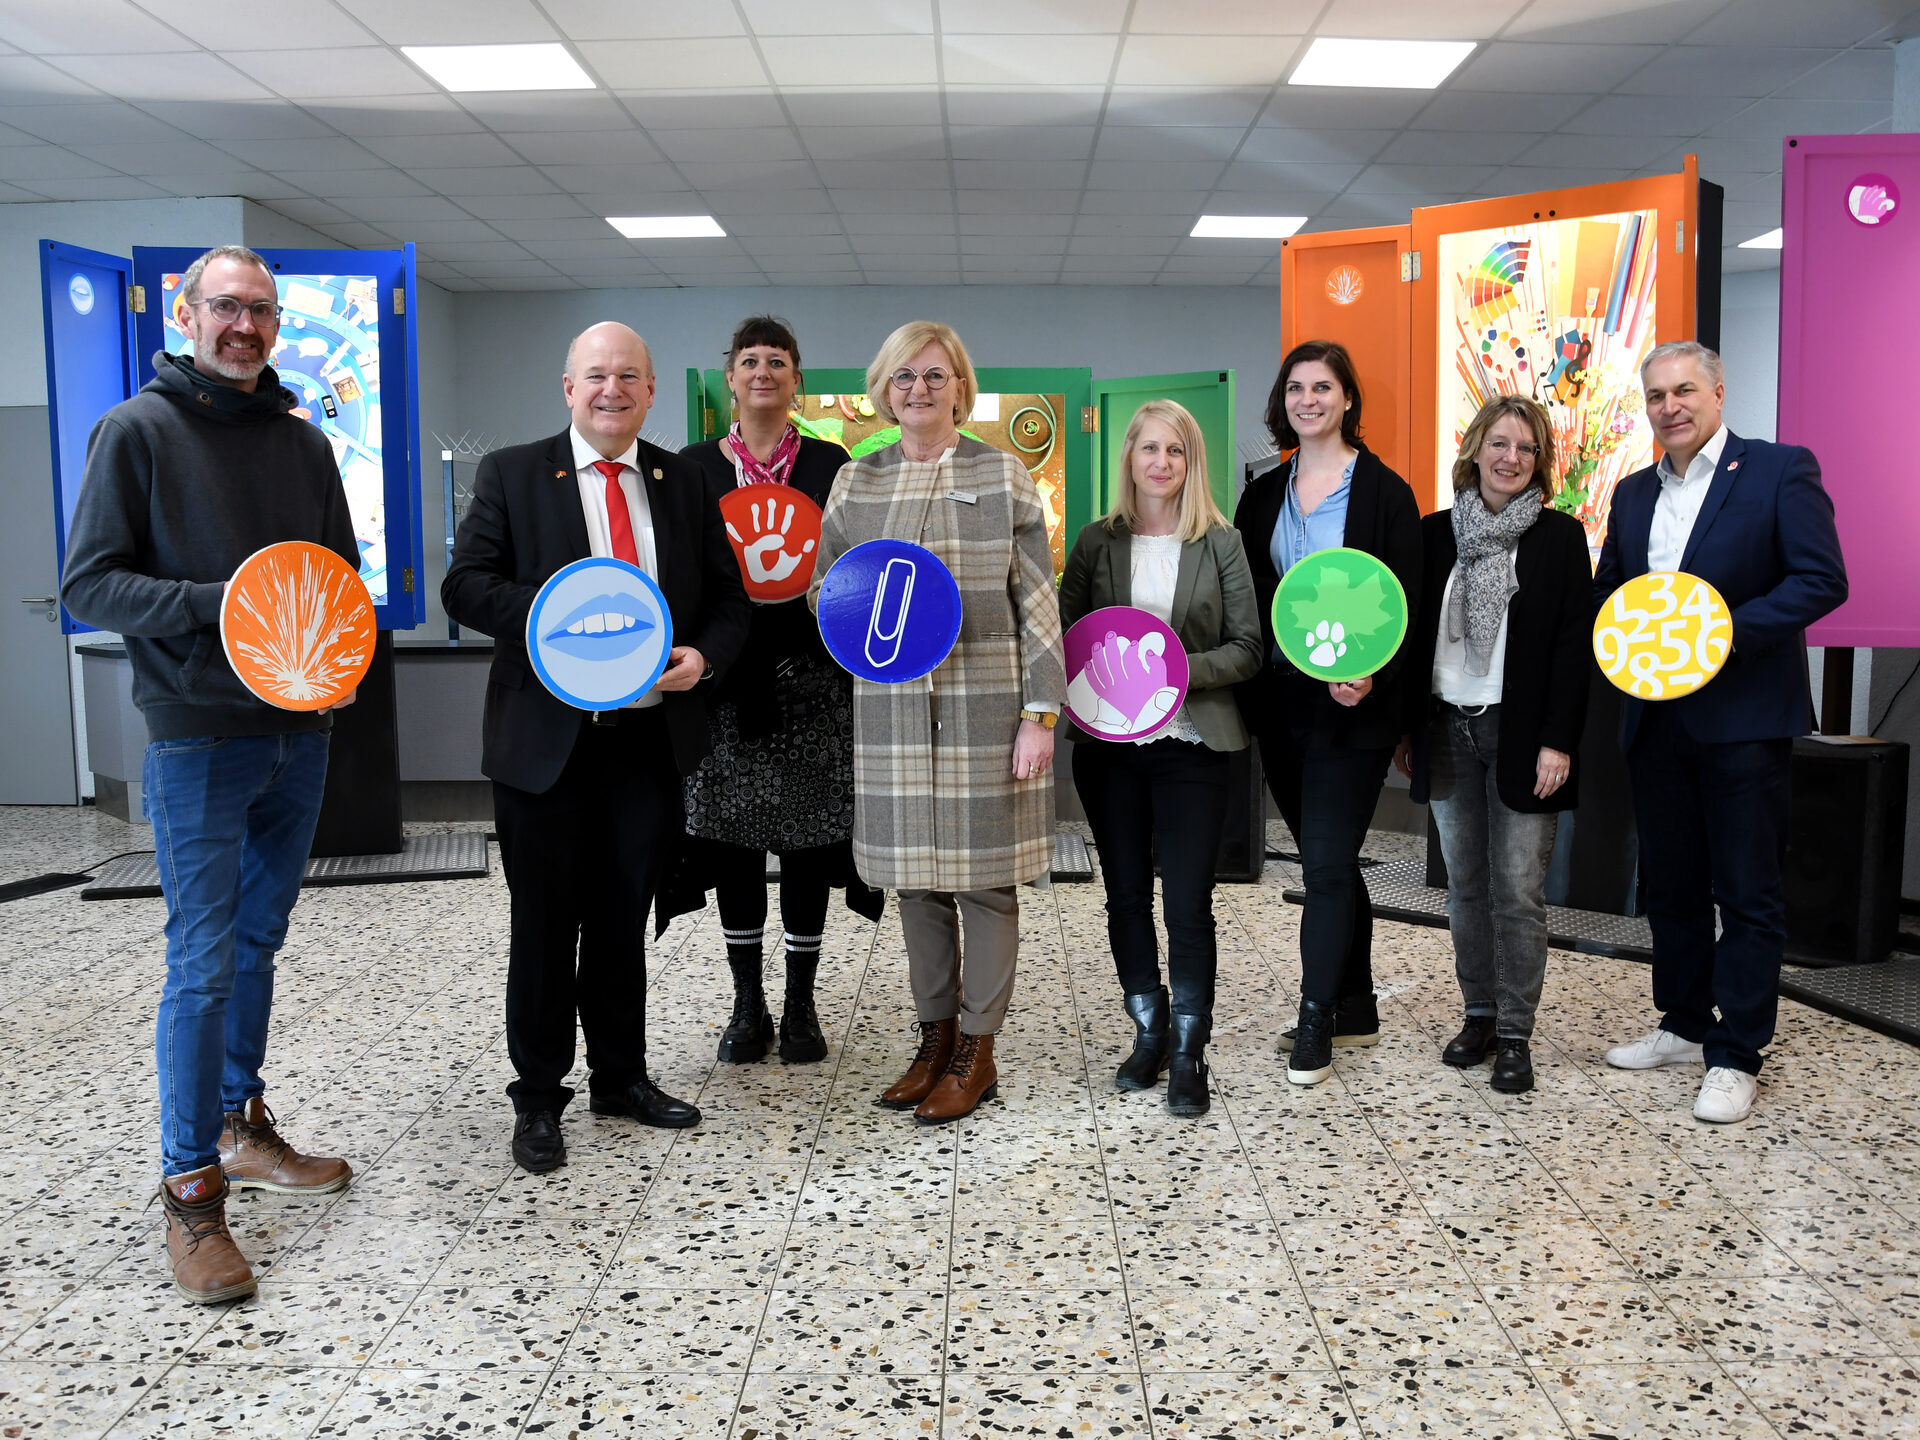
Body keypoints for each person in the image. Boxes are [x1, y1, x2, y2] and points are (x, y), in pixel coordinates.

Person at [61, 244, 356, 1304]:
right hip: (197, 735)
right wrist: (217, 603)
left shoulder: (302, 443)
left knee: (258, 941)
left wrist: (330, 660)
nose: (245, 326)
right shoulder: (136, 431)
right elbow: (90, 583)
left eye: (262, 310)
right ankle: (190, 1190)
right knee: (203, 962)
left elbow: (336, 576)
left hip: (299, 729)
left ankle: (240, 1126)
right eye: (226, 307)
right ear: (185, 314)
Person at [443, 322, 750, 1173]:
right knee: (544, 927)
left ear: (650, 391)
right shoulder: (513, 473)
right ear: (569, 388)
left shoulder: (684, 480)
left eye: (628, 376)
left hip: (644, 744)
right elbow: (465, 585)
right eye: (596, 375)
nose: (612, 390)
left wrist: (705, 657)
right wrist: (558, 611)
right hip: (545, 747)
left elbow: (728, 601)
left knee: (621, 922)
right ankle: (539, 1098)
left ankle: (621, 1078)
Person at [808, 320, 1065, 1124]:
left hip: (984, 707)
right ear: (884, 391)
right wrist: (850, 610)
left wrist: (1040, 713)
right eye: (903, 377)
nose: (918, 389)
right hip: (889, 710)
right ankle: (934, 1040)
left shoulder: (1004, 473)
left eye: (934, 375)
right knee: (915, 883)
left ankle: (976, 1053)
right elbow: (824, 590)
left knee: (985, 885)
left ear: (961, 387)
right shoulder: (857, 480)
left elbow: (1038, 604)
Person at [1594, 340, 1846, 1124]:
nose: (1669, 407)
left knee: (1746, 891)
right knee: (1671, 885)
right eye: (1656, 395)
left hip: (1744, 719)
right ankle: (1683, 1023)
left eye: (1684, 391)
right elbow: (1611, 594)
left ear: (1718, 393)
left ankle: (1736, 1052)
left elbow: (1821, 579)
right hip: (1655, 719)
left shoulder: (1778, 470)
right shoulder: (1633, 493)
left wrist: (1717, 634)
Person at [674, 316, 879, 1066]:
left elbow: (853, 567)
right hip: (724, 684)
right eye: (749, 361)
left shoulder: (832, 464)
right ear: (730, 377)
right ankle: (746, 1002)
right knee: (732, 846)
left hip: (813, 683)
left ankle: (799, 1004)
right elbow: (683, 573)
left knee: (807, 845)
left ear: (797, 379)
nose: (763, 372)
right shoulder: (694, 468)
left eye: (778, 362)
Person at [1060, 400, 1263, 1117]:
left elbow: (1248, 647)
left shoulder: (1222, 542)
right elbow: (1065, 636)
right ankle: (1146, 1028)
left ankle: (1187, 1049)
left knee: (1187, 903)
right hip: (1110, 749)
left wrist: (1171, 675)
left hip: (1192, 745)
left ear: (1190, 462)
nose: (1161, 462)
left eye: (1175, 450)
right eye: (1149, 448)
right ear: (1130, 458)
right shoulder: (1096, 541)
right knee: (1123, 896)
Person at [1235, 340, 1421, 1087]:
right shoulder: (1261, 496)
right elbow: (1248, 599)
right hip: (1282, 705)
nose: (1307, 400)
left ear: (1347, 399)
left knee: (1324, 862)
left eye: (1322, 387)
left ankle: (1316, 1017)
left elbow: (1405, 604)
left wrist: (1373, 676)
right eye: (1295, 388)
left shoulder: (1387, 493)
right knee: (1332, 861)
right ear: (1281, 402)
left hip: (1355, 705)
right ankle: (1357, 1004)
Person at [1397, 395, 1593, 1094]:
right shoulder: (1434, 534)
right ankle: (1478, 1013)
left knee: (1518, 891)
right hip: (1446, 727)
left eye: (1526, 448)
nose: (1511, 458)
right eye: (1500, 444)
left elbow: (1573, 647)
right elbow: (1409, 635)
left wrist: (1558, 742)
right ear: (1475, 449)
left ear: (1540, 461)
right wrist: (1407, 728)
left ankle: (1515, 1033)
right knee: (1466, 886)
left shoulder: (1560, 539)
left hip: (1523, 734)